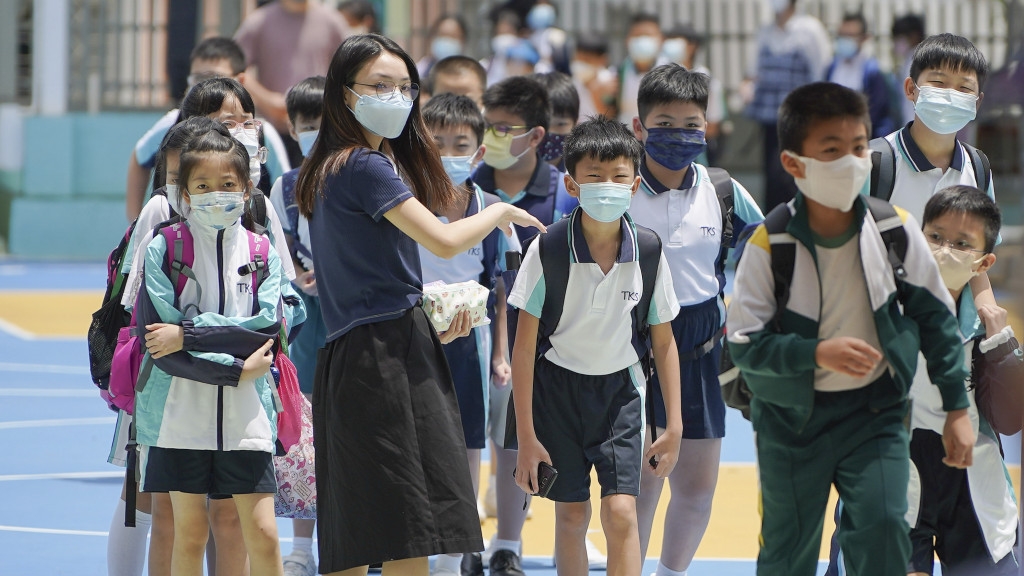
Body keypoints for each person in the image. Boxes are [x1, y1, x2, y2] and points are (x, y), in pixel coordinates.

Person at [292, 33, 544, 576]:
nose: (396, 97)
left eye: (405, 86)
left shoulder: (332, 166)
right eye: (380, 85)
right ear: (344, 92)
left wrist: (422, 310)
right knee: (412, 525)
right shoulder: (365, 166)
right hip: (386, 361)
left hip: (356, 354)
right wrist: (499, 213)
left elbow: (366, 278)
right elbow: (448, 241)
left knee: (359, 527)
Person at [726, 81, 975, 576]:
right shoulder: (768, 243)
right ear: (794, 164)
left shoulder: (896, 229)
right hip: (791, 424)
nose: (852, 161)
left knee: (885, 532)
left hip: (876, 415)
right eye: (832, 150)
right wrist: (815, 354)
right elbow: (745, 348)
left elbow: (938, 324)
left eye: (859, 147)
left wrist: (957, 409)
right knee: (787, 549)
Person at [508, 115, 682, 576]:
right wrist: (526, 436)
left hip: (620, 395)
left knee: (622, 513)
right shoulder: (546, 249)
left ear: (635, 184)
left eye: (619, 177)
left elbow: (663, 340)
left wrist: (673, 424)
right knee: (571, 515)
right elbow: (523, 348)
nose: (608, 185)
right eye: (594, 176)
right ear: (571, 183)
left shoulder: (647, 250)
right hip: (557, 392)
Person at [627, 64, 763, 576]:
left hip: (703, 347)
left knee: (698, 484)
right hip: (633, 347)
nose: (679, 135)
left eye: (692, 124)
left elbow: (770, 244)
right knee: (641, 481)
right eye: (665, 124)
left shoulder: (723, 189)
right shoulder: (619, 188)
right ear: (639, 127)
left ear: (708, 128)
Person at [133, 128, 288, 576]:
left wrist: (191, 334)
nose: (215, 195)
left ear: (247, 189)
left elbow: (265, 329)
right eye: (201, 186)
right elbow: (159, 344)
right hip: (180, 416)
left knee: (262, 532)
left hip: (248, 416)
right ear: (184, 192)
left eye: (227, 185)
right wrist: (235, 371)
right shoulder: (163, 248)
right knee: (191, 534)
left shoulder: (262, 251)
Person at [472, 75, 577, 575]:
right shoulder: (464, 187)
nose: (491, 137)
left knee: (519, 442)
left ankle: (507, 544)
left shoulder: (563, 195)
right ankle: (465, 542)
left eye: (503, 128)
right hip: (471, 338)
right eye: (487, 126)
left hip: (540, 346)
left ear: (536, 136)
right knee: (467, 441)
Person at [419, 93, 522, 576]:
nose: (447, 152)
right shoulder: (406, 201)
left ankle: (462, 549)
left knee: (469, 443)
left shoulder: (490, 208)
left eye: (459, 144)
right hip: (415, 338)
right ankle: (423, 544)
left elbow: (498, 289)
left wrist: (500, 353)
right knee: (420, 439)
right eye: (436, 143)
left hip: (470, 342)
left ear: (480, 153)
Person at [903, 186, 1020, 576]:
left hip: (975, 487)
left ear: (984, 262)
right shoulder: (884, 307)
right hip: (898, 478)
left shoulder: (990, 329)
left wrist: (1002, 348)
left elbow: (1010, 419)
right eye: (935, 237)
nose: (944, 250)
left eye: (961, 243)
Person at [268, 75, 327, 576]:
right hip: (308, 324)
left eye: (322, 124)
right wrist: (300, 277)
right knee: (303, 436)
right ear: (291, 128)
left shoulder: (358, 175)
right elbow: (279, 248)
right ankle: (301, 547)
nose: (312, 133)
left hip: (351, 317)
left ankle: (357, 541)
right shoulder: (285, 185)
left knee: (352, 428)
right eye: (305, 126)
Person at [124, 37, 266, 220]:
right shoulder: (164, 210)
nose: (206, 85)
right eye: (198, 78)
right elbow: (140, 156)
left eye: (215, 77)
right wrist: (135, 219)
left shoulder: (260, 206)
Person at [234, 0, 348, 166]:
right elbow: (234, 70)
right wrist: (268, 100)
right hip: (272, 131)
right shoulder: (258, 21)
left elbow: (351, 69)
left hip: (320, 130)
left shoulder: (332, 21)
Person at [743, 0, 831, 211]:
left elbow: (821, 71)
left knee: (793, 174)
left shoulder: (810, 30)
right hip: (770, 117)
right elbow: (754, 72)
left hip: (799, 118)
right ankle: (775, 225)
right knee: (772, 176)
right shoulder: (765, 32)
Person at [660, 24, 726, 164]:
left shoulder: (707, 79)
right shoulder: (658, 76)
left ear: (692, 46)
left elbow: (713, 126)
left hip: (696, 154)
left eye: (676, 40)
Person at [825, 12, 893, 138]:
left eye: (850, 36)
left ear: (864, 38)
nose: (845, 40)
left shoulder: (872, 70)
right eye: (842, 35)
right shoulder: (833, 67)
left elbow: (876, 112)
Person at [618, 13, 665, 125]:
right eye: (637, 35)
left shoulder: (672, 73)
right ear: (627, 40)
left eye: (648, 35)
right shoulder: (619, 72)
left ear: (661, 39)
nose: (642, 40)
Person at [531, 71, 579, 170]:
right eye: (540, 123)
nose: (550, 132)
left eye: (560, 124)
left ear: (575, 125)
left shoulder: (580, 175)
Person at [570, 34, 618, 120]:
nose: (580, 63)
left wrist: (594, 93)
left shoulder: (610, 81)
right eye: (578, 58)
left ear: (602, 60)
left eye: (586, 59)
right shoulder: (573, 83)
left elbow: (610, 118)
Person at [891, 14, 926, 126]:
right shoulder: (909, 59)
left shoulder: (917, 61)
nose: (896, 43)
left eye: (899, 38)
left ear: (914, 36)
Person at [417, 14, 470, 80]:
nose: (447, 42)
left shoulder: (470, 73)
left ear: (463, 40)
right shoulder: (420, 71)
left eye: (452, 37)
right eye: (442, 36)